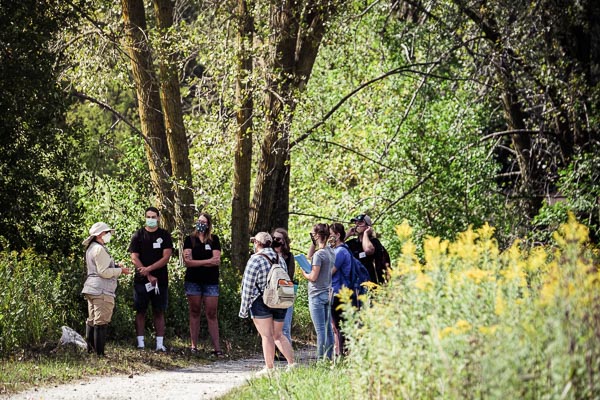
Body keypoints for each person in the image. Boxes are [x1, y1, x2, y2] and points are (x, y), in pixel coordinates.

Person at [239, 232, 295, 375]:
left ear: (257, 243)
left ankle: (269, 368)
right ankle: (292, 364)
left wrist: (243, 309)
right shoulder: (279, 258)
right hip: (279, 300)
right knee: (278, 335)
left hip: (260, 301)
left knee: (267, 336)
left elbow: (247, 286)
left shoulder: (255, 260)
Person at [128, 207, 173, 351]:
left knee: (159, 311)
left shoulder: (164, 235)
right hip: (142, 281)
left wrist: (150, 268)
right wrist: (147, 274)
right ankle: (140, 343)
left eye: (154, 217)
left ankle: (159, 344)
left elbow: (166, 257)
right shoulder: (138, 235)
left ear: (158, 218)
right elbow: (134, 257)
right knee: (140, 311)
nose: (151, 219)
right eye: (148, 216)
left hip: (161, 281)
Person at [82, 222, 131, 356]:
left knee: (92, 320)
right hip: (101, 289)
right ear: (99, 235)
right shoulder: (100, 249)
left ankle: (91, 352)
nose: (109, 235)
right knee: (101, 322)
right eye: (107, 232)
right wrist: (120, 270)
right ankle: (100, 354)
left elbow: (99, 266)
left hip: (91, 288)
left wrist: (115, 266)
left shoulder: (91, 248)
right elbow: (103, 272)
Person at [183, 212, 223, 356]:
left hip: (211, 282)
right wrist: (208, 262)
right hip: (193, 281)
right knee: (194, 311)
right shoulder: (189, 240)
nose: (201, 224)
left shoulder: (214, 240)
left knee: (212, 313)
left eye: (204, 222)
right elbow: (188, 262)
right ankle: (194, 346)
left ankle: (217, 348)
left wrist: (197, 262)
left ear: (208, 225)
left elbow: (216, 260)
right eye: (199, 221)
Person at [303, 223, 335, 360]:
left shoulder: (319, 255)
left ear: (317, 236)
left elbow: (313, 277)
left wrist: (305, 274)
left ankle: (321, 359)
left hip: (316, 295)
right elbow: (309, 256)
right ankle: (329, 357)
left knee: (320, 330)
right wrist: (313, 243)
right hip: (328, 293)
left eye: (313, 235)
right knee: (328, 330)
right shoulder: (330, 252)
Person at [329, 222, 353, 356]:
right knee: (337, 325)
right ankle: (340, 352)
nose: (329, 238)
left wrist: (313, 273)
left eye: (331, 235)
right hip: (337, 291)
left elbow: (330, 272)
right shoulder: (341, 249)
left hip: (339, 292)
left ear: (338, 235)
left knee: (338, 326)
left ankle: (341, 353)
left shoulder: (340, 252)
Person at [345, 214, 388, 284]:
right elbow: (336, 249)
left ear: (368, 226)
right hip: (357, 283)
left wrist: (365, 234)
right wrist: (347, 235)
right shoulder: (352, 243)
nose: (357, 225)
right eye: (356, 223)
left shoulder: (374, 242)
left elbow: (368, 250)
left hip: (372, 282)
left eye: (360, 223)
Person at [271, 228, 296, 347]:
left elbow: (289, 275)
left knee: (285, 326)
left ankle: (286, 353)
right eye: (274, 238)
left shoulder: (289, 256)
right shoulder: (268, 254)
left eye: (278, 239)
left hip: (285, 292)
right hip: (271, 293)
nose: (276, 241)